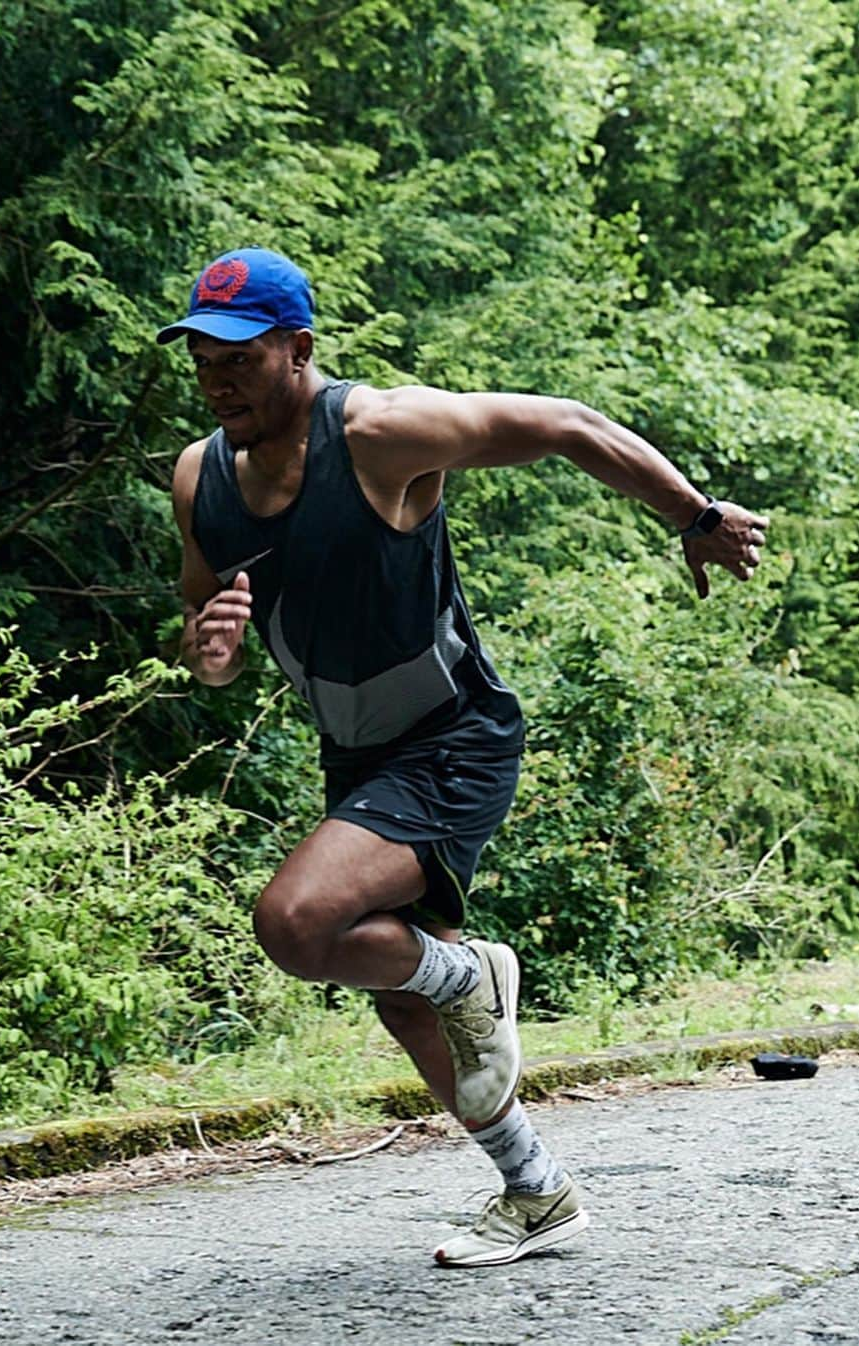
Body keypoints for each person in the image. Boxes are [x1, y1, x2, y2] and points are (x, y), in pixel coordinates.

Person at [163, 247, 768, 1268]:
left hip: (453, 737)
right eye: (202, 358)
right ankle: (537, 1192)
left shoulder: (383, 433)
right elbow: (203, 615)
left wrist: (694, 516)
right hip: (356, 756)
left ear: (298, 350)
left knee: (295, 919)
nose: (217, 378)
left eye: (241, 355)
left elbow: (567, 426)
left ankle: (470, 972)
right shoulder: (199, 477)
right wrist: (208, 650)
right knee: (406, 997)